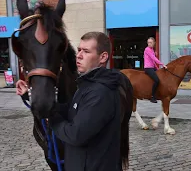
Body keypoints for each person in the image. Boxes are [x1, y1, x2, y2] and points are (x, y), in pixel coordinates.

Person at [16, 31, 123, 171]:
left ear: (103, 57)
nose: (78, 56)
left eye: (86, 51)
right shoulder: (87, 85)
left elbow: (76, 135)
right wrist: (29, 95)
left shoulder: (100, 92)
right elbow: (70, 109)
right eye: (79, 50)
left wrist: (52, 118)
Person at [144, 37, 167, 103]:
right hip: (148, 68)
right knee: (157, 80)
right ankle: (152, 96)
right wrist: (162, 64)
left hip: (152, 67)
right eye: (148, 42)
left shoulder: (152, 50)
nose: (149, 44)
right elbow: (154, 58)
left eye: (150, 42)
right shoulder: (147, 49)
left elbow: (153, 61)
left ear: (154, 43)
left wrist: (157, 68)